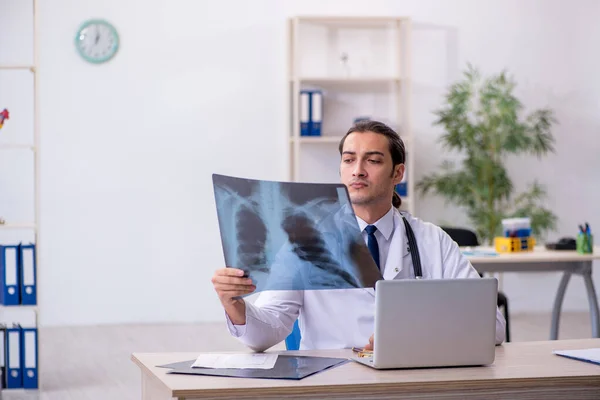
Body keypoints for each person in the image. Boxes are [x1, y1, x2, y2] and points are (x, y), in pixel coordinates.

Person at [211, 120, 506, 352]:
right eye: (349, 160)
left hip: (409, 379)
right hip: (334, 383)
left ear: (398, 173)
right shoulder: (305, 242)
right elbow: (267, 331)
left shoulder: (433, 241)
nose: (358, 171)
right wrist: (235, 305)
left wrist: (417, 336)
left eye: (373, 161)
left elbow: (492, 326)